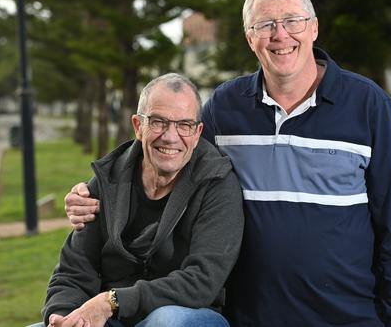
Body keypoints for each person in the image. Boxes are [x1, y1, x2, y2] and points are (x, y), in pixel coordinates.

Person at [66, 0, 391, 327]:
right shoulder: (225, 108)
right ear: (250, 38)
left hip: (348, 319)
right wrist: (93, 193)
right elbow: (166, 152)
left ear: (313, 27)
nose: (280, 35)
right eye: (265, 24)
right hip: (250, 319)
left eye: (292, 21)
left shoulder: (367, 105)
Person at [34, 73, 244, 327]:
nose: (170, 136)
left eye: (184, 125)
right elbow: (73, 271)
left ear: (198, 132)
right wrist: (62, 315)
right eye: (158, 122)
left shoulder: (217, 183)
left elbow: (201, 282)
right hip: (114, 318)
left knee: (167, 321)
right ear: (137, 126)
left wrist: (112, 301)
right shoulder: (106, 180)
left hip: (189, 316)